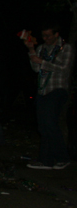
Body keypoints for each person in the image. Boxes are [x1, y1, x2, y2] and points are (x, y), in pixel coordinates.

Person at [26, 22, 73, 169]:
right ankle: (45, 160)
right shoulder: (41, 48)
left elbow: (65, 69)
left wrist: (43, 62)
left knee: (50, 124)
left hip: (57, 89)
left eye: (48, 35)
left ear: (56, 34)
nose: (45, 38)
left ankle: (63, 158)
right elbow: (36, 69)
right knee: (43, 126)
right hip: (42, 90)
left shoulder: (66, 48)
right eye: (43, 35)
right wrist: (32, 51)